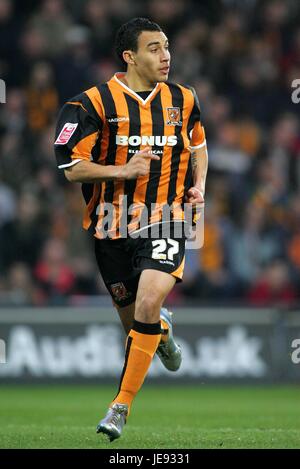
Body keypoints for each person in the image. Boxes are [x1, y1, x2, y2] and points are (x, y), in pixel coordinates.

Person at [54, 17, 208, 442]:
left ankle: (119, 406)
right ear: (130, 56)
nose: (166, 56)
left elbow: (198, 143)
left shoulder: (184, 98)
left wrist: (198, 186)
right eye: (155, 48)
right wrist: (123, 169)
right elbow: (70, 167)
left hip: (167, 217)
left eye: (167, 47)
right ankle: (162, 331)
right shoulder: (91, 104)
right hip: (111, 226)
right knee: (135, 321)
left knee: (147, 303)